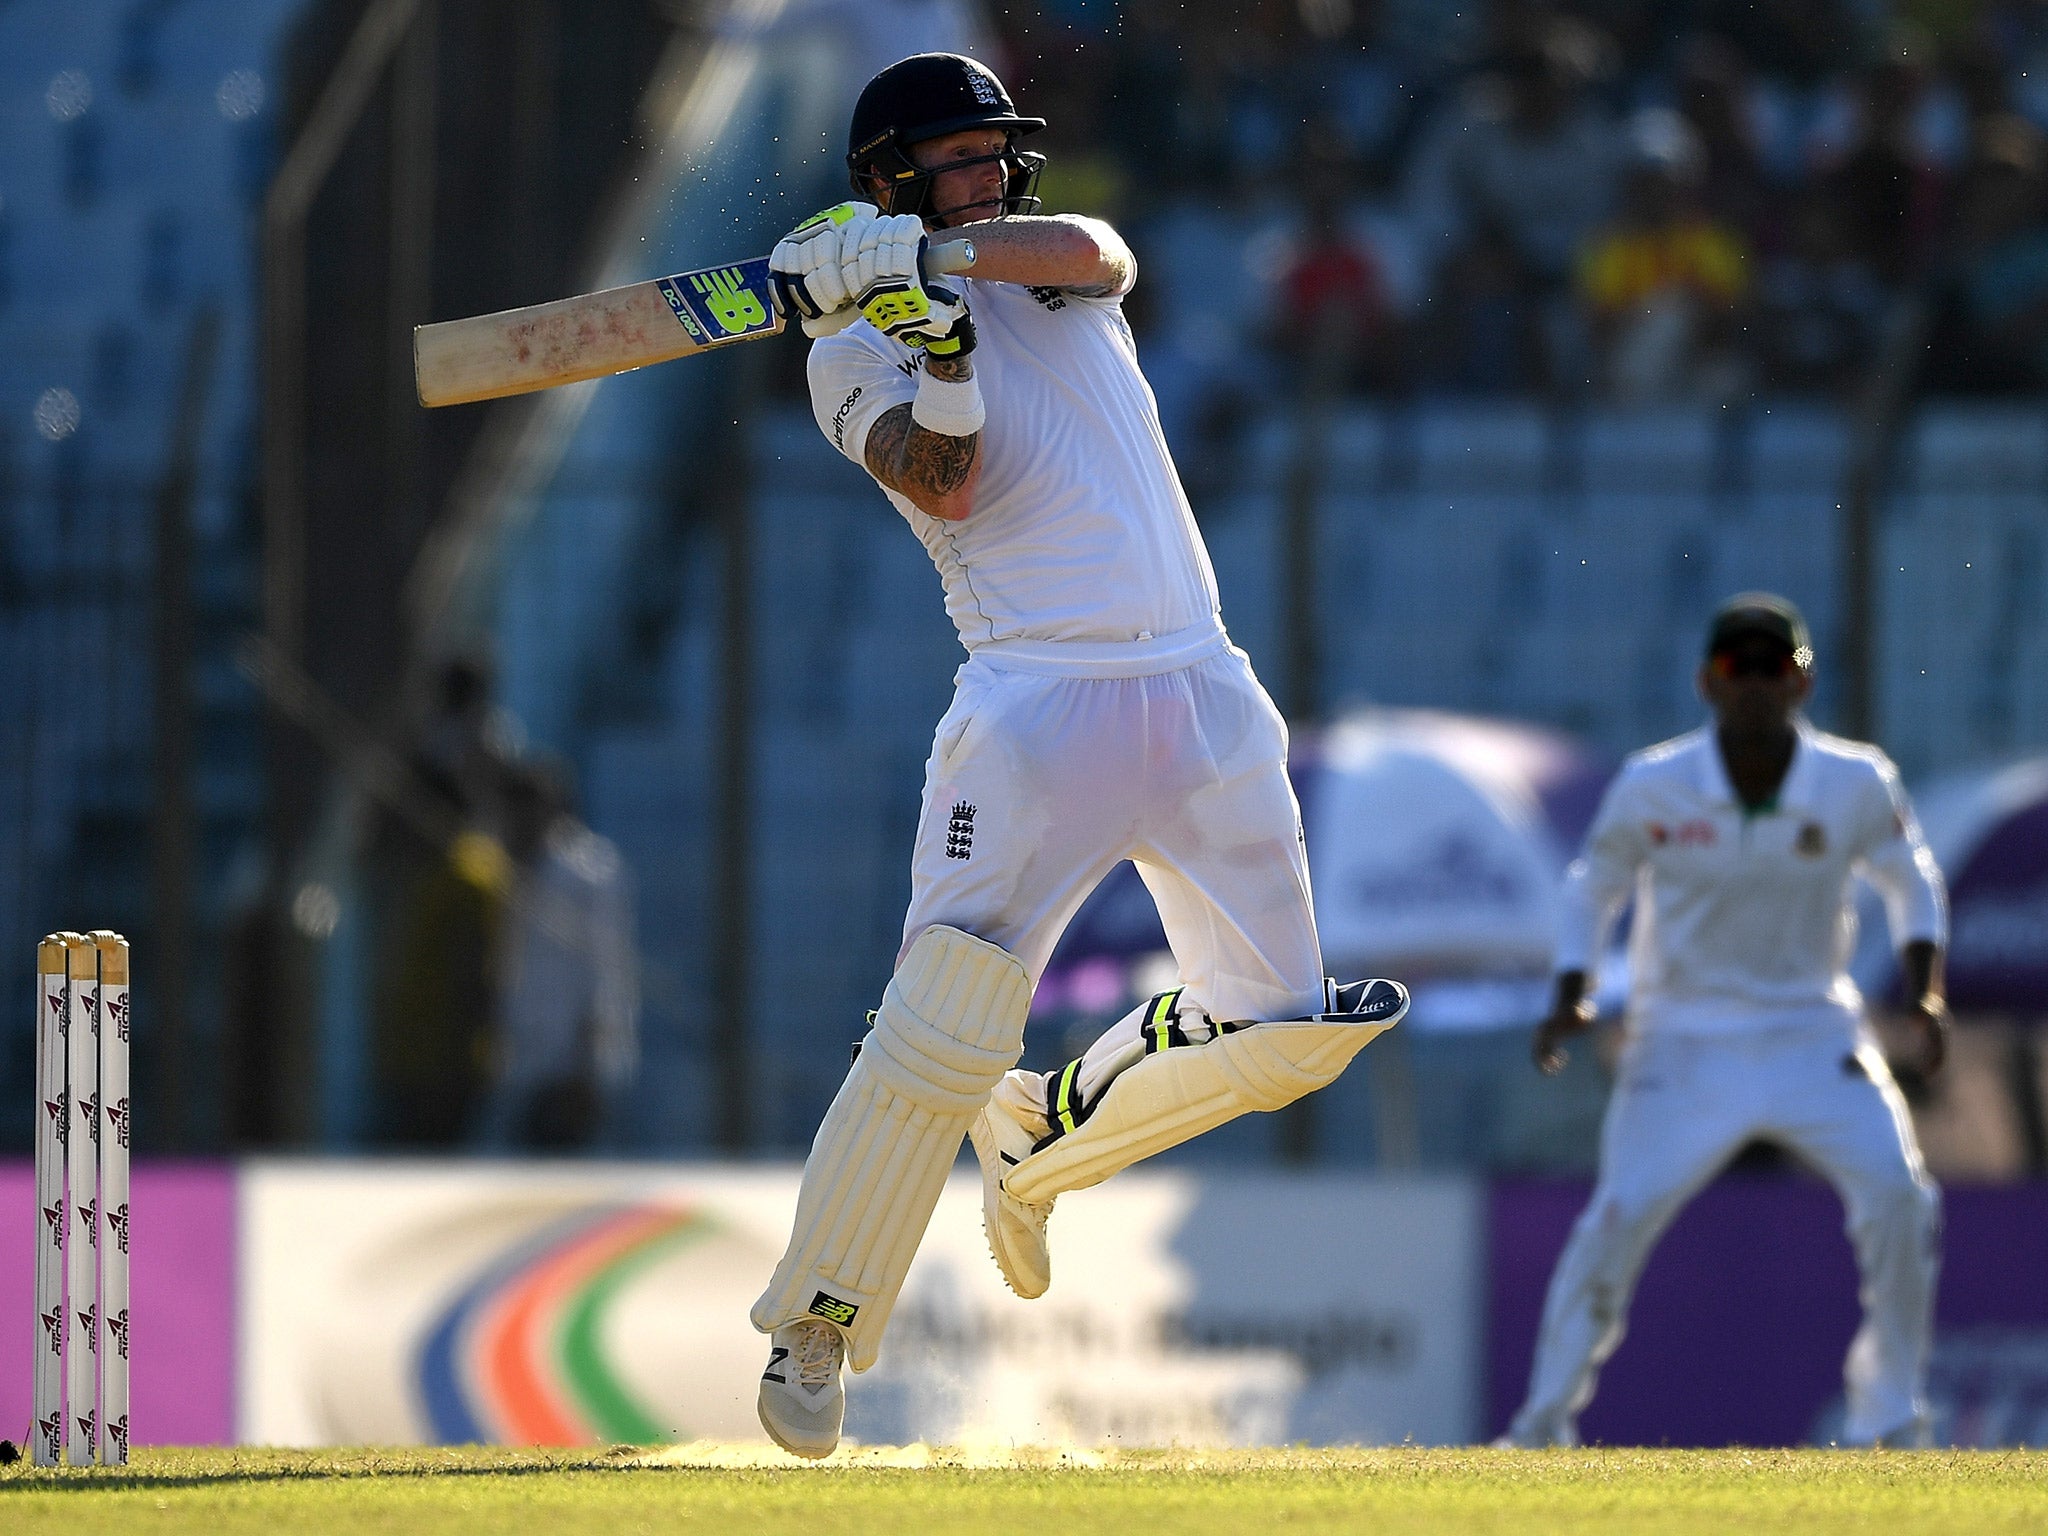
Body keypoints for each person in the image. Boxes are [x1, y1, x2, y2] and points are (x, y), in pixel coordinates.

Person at [750, 52, 1409, 1459]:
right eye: (958, 155)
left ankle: (1045, 1140)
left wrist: (926, 255)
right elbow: (950, 482)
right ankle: (817, 1322)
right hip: (1037, 702)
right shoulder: (840, 352)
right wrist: (925, 342)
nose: (992, 169)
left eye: (997, 150)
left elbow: (1098, 244)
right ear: (886, 173)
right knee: (943, 1022)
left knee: (1293, 1033)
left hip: (1203, 685)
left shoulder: (1037, 265)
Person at [1500, 594, 1949, 1449]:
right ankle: (1542, 1424)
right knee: (1616, 1218)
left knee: (1899, 1196)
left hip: (1813, 1033)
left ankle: (1890, 1416)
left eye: (1772, 667)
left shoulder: (1855, 781)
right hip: (1682, 1039)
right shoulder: (1655, 782)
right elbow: (1593, 884)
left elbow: (1911, 881)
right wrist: (1571, 989)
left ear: (1803, 681)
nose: (1753, 684)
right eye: (1736, 667)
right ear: (1707, 681)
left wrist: (1926, 991)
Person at [474, 761, 639, 1152]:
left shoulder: (588, 872)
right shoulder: (508, 868)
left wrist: (590, 1066)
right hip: (519, 1067)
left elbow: (606, 972)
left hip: (570, 1069)